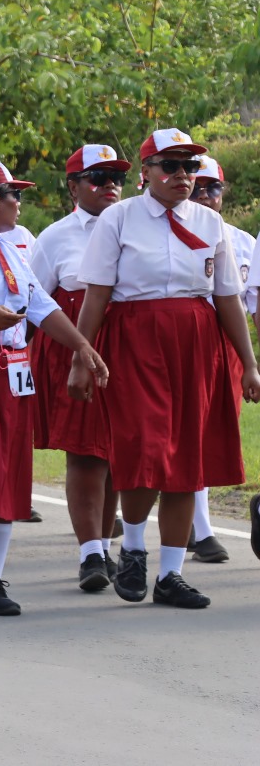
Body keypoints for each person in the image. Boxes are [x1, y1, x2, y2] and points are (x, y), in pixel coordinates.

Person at [73, 128, 260, 609]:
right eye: (171, 166)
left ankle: (171, 574)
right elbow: (97, 294)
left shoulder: (210, 222)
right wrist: (81, 356)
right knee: (144, 448)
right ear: (147, 172)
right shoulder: (119, 218)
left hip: (195, 339)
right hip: (135, 337)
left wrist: (249, 363)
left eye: (190, 167)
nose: (183, 175)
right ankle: (134, 550)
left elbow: (227, 297)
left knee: (187, 458)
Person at [0, 157, 107, 618]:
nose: (19, 203)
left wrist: (82, 347)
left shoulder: (10, 248)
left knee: (12, 474)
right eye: (14, 194)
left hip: (14, 368)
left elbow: (41, 305)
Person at [30, 145, 126, 590]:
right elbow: (33, 301)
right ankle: (90, 554)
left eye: (117, 178)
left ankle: (104, 546)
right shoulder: (54, 238)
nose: (110, 186)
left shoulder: (135, 226)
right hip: (76, 352)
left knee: (117, 453)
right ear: (73, 187)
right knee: (86, 453)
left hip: (128, 350)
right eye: (98, 178)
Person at [184, 155, 249, 564]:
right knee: (191, 431)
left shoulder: (243, 241)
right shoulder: (172, 234)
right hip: (189, 341)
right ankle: (201, 528)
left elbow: (249, 304)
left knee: (215, 434)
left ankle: (196, 521)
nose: (206, 195)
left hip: (229, 348)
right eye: (199, 186)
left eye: (214, 188)